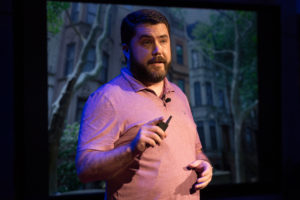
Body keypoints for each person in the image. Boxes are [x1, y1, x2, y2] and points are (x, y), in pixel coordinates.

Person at [76, 9, 213, 200]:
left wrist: (205, 164)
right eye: (147, 42)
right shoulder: (106, 98)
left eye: (163, 40)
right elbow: (84, 169)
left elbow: (196, 151)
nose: (158, 50)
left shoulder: (179, 94)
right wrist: (131, 149)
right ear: (126, 49)